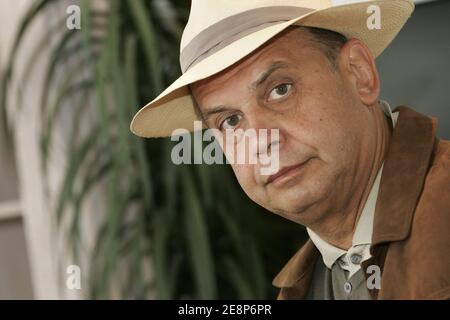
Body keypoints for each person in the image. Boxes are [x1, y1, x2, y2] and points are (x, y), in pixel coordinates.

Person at [130, 0, 450, 299]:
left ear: (359, 73)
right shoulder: (303, 287)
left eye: (280, 90)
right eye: (229, 121)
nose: (260, 141)